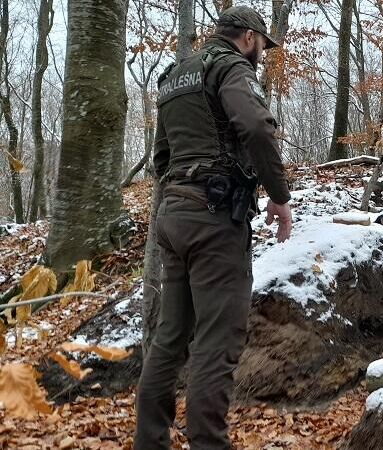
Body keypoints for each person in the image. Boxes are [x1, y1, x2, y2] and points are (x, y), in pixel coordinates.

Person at [133, 6, 292, 449]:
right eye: (262, 44)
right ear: (248, 37)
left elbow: (162, 155)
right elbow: (258, 128)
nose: (262, 52)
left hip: (174, 216)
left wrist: (181, 195)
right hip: (214, 221)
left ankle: (149, 442)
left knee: (170, 339)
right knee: (216, 344)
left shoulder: (174, 76)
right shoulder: (230, 67)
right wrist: (279, 196)